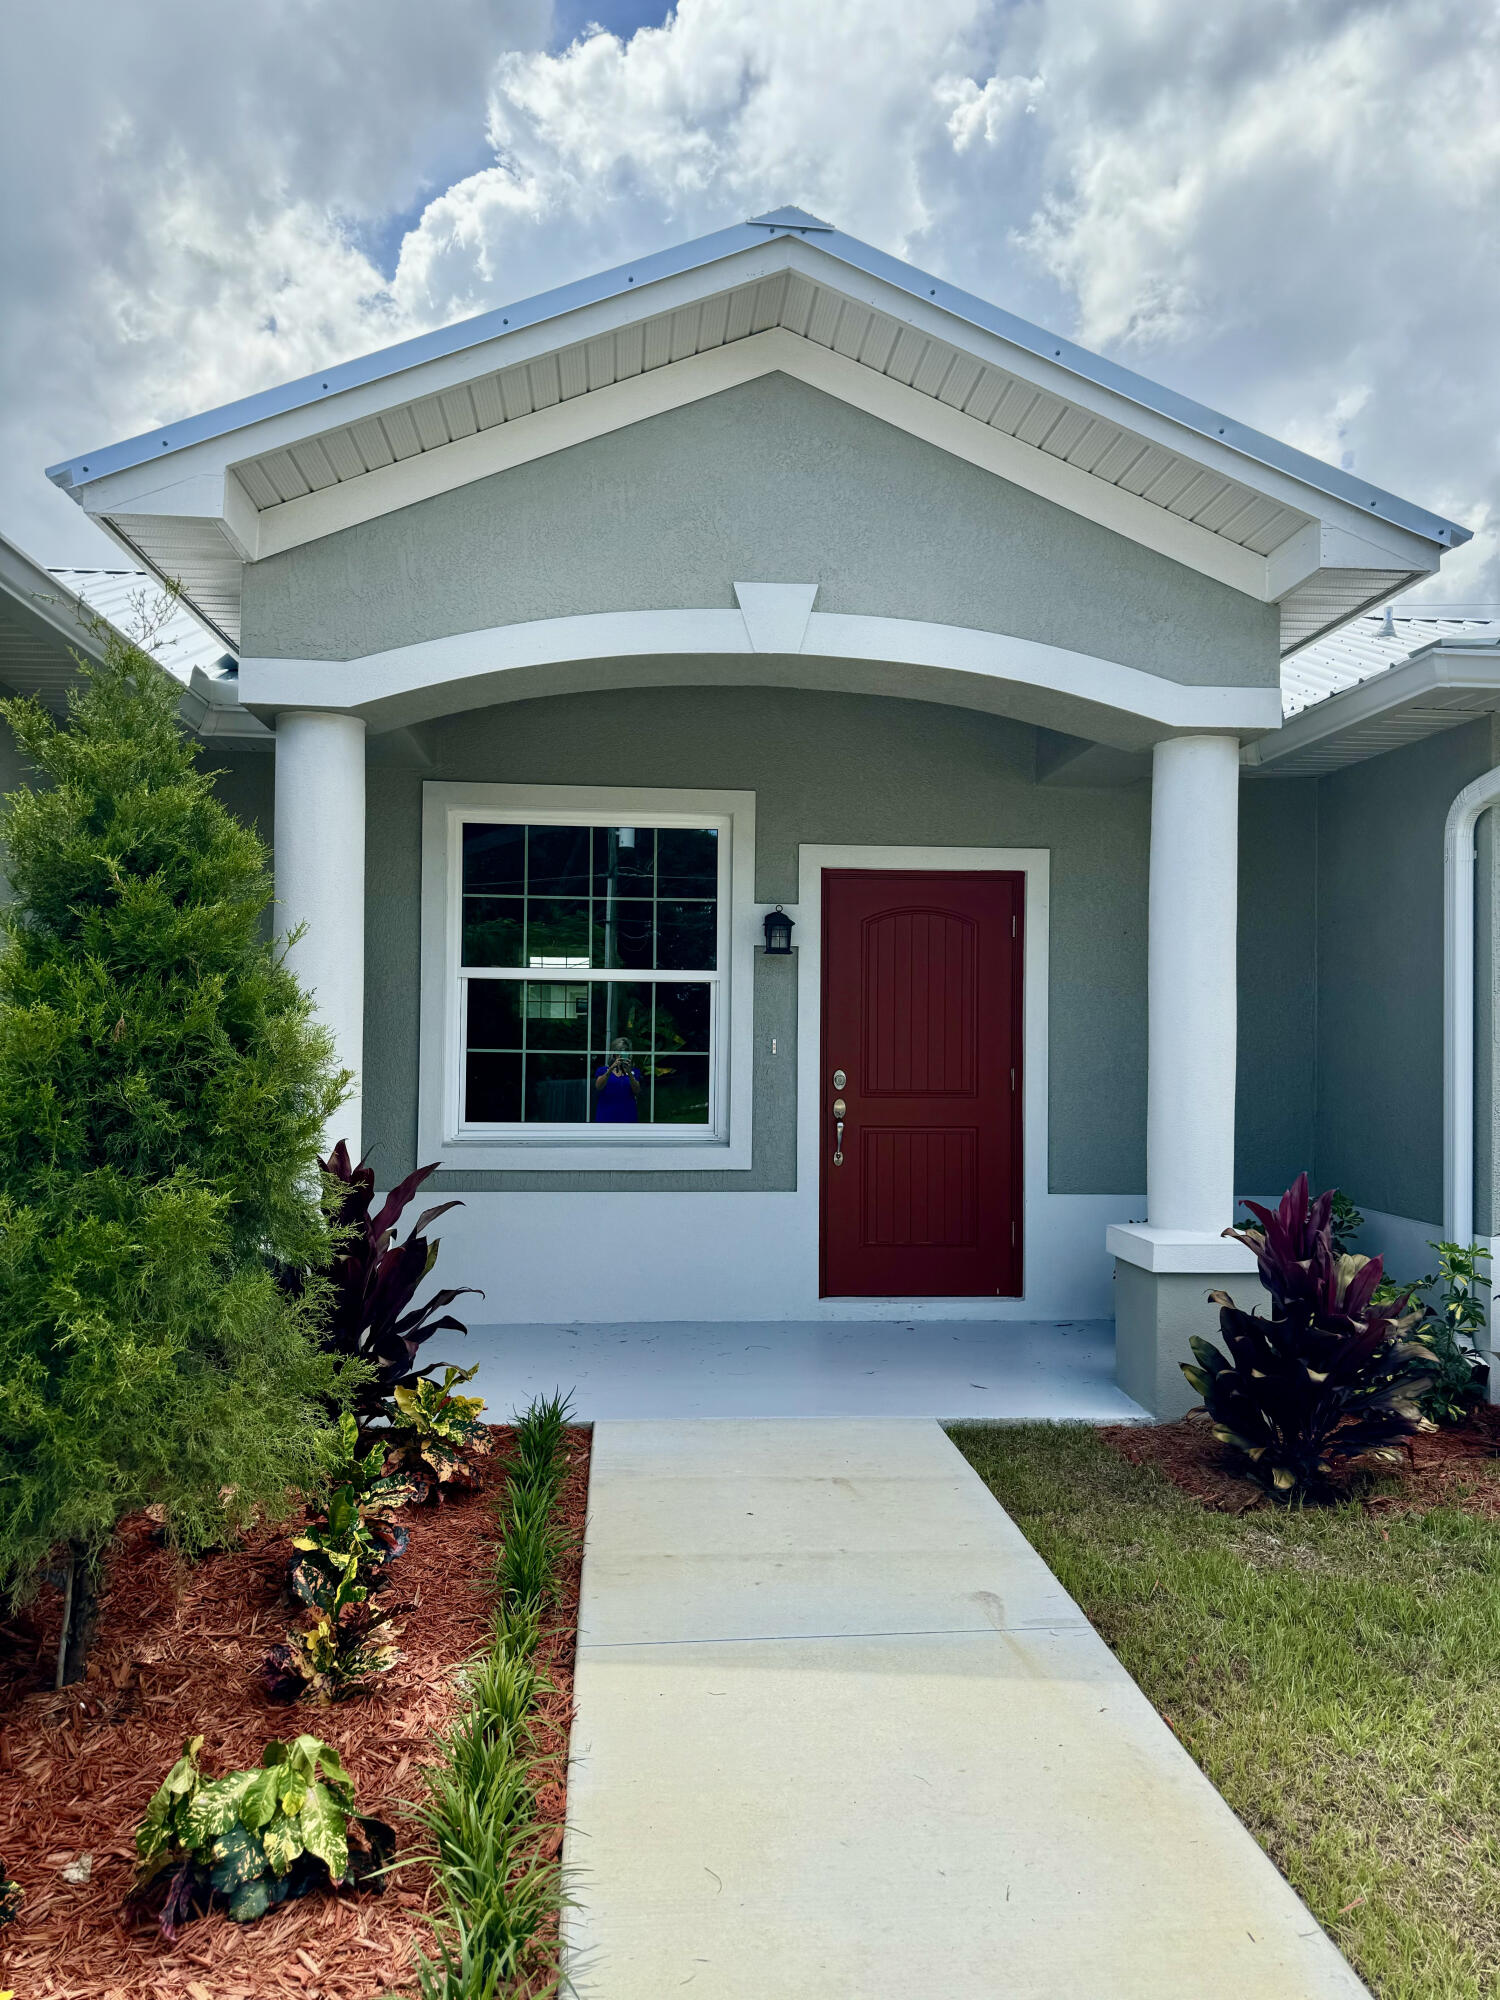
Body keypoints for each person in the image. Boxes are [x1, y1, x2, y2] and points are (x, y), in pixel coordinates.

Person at [594, 1038, 642, 1122]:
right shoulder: (602, 1070)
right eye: (618, 1052)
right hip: (606, 1114)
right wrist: (611, 1068)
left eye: (625, 1052)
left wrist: (629, 1072)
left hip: (628, 1114)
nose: (620, 1055)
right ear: (614, 1053)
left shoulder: (634, 1072)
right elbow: (598, 1086)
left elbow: (637, 1091)